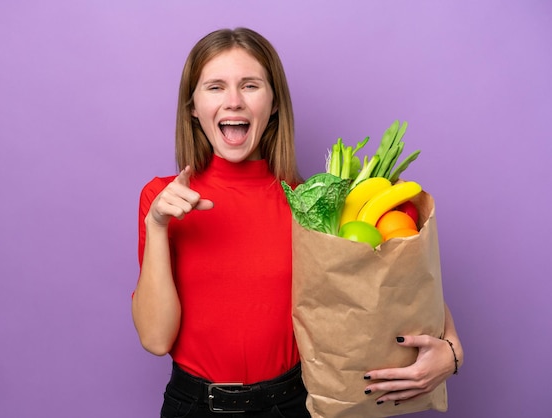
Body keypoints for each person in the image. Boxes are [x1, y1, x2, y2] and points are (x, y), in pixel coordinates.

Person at [131, 27, 463, 418]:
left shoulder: (312, 206)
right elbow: (155, 339)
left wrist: (452, 352)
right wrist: (156, 226)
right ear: (193, 105)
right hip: (195, 407)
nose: (233, 102)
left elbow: (399, 287)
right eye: (215, 87)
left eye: (250, 85)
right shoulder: (162, 200)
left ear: (273, 104)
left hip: (291, 405)